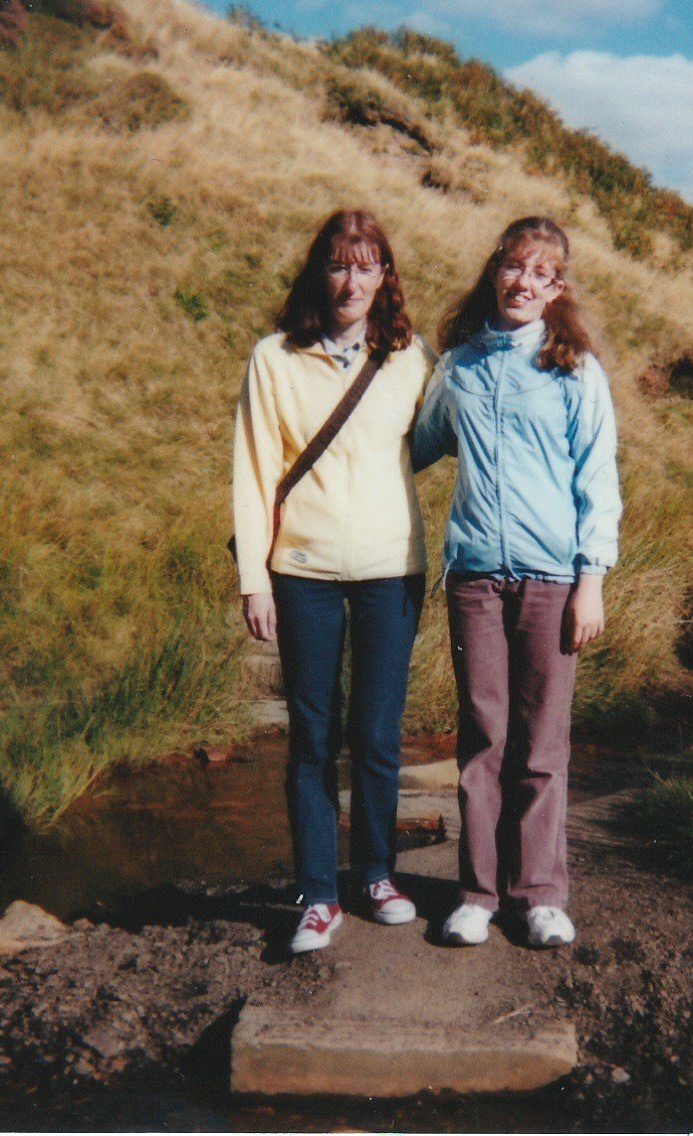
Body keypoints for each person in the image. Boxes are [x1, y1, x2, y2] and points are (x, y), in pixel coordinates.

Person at [411, 216, 621, 949]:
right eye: (513, 266)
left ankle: (538, 896)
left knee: (541, 744)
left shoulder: (574, 369)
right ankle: (477, 894)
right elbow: (417, 444)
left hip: (552, 578)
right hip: (474, 577)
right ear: (494, 269)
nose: (523, 283)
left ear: (557, 288)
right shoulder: (459, 365)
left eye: (540, 273)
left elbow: (598, 480)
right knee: (483, 738)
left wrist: (591, 581)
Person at [232, 209, 434, 954]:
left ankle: (376, 874)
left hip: (391, 569)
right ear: (321, 273)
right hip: (303, 571)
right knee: (312, 735)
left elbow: (434, 440)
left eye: (367, 265)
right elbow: (253, 471)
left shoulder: (413, 357)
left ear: (386, 277)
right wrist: (254, 579)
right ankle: (319, 896)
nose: (353, 282)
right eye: (340, 265)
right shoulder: (274, 358)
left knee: (377, 733)